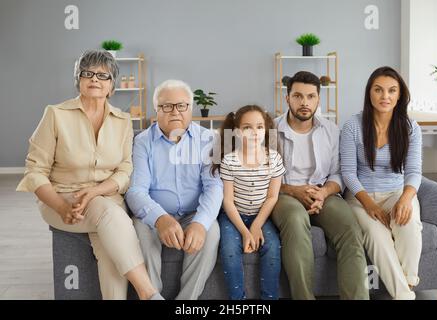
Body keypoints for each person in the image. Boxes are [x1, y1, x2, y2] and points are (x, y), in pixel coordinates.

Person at [16, 50, 162, 300]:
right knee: (111, 217)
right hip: (62, 200)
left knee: (109, 248)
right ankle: (149, 293)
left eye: (103, 75)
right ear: (79, 80)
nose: (95, 79)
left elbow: (125, 170)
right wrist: (62, 206)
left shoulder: (123, 120)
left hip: (106, 200)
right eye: (88, 73)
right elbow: (35, 171)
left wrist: (96, 191)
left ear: (112, 86)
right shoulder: (55, 114)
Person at [272, 71, 369, 300]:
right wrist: (294, 191)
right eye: (297, 96)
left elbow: (339, 173)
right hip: (285, 194)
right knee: (296, 222)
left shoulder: (332, 130)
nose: (304, 103)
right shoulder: (270, 130)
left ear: (318, 99)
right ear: (287, 99)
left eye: (310, 96)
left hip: (322, 192)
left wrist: (323, 193)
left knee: (350, 228)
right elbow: (263, 176)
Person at [125, 79, 223, 300]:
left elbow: (214, 186)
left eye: (182, 106)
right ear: (156, 110)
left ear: (191, 108)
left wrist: (200, 222)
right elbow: (136, 191)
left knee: (211, 231)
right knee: (139, 231)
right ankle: (152, 297)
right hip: (153, 214)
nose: (175, 112)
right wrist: (160, 218)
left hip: (192, 214)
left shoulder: (209, 139)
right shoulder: (142, 142)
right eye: (166, 106)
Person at [340, 66, 422, 300]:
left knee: (409, 224)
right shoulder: (352, 126)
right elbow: (348, 173)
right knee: (377, 236)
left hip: (397, 191)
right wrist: (370, 205)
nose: (385, 96)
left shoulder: (410, 128)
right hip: (360, 197)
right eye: (378, 90)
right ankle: (405, 296)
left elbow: (415, 171)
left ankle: (407, 284)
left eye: (391, 91)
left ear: (399, 95)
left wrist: (406, 199)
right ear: (369, 94)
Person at [212, 105, 284, 300]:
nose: (255, 132)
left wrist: (256, 226)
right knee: (229, 251)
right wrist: (245, 231)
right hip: (232, 216)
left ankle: (269, 299)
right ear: (236, 132)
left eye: (259, 127)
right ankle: (238, 300)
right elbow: (227, 201)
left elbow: (272, 197)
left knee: (272, 249)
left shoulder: (274, 159)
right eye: (247, 127)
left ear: (266, 130)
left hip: (261, 216)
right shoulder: (230, 160)